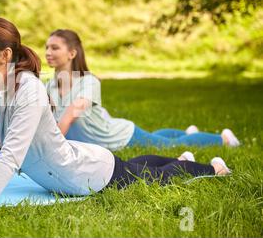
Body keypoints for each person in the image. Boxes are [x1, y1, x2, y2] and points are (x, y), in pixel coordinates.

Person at [0, 18, 231, 217]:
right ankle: (183, 156)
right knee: (138, 165)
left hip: (88, 175)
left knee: (153, 175)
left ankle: (211, 168)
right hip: (74, 168)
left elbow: (11, 156)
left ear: (4, 55)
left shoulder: (29, 90)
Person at [44, 29, 240, 151]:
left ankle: (224, 139)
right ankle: (187, 131)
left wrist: (50, 147)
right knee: (156, 137)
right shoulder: (49, 86)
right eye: (46, 48)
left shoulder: (89, 82)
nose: (48, 53)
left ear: (72, 53)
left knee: (169, 146)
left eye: (54, 48)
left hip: (117, 138)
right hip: (94, 141)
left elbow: (71, 115)